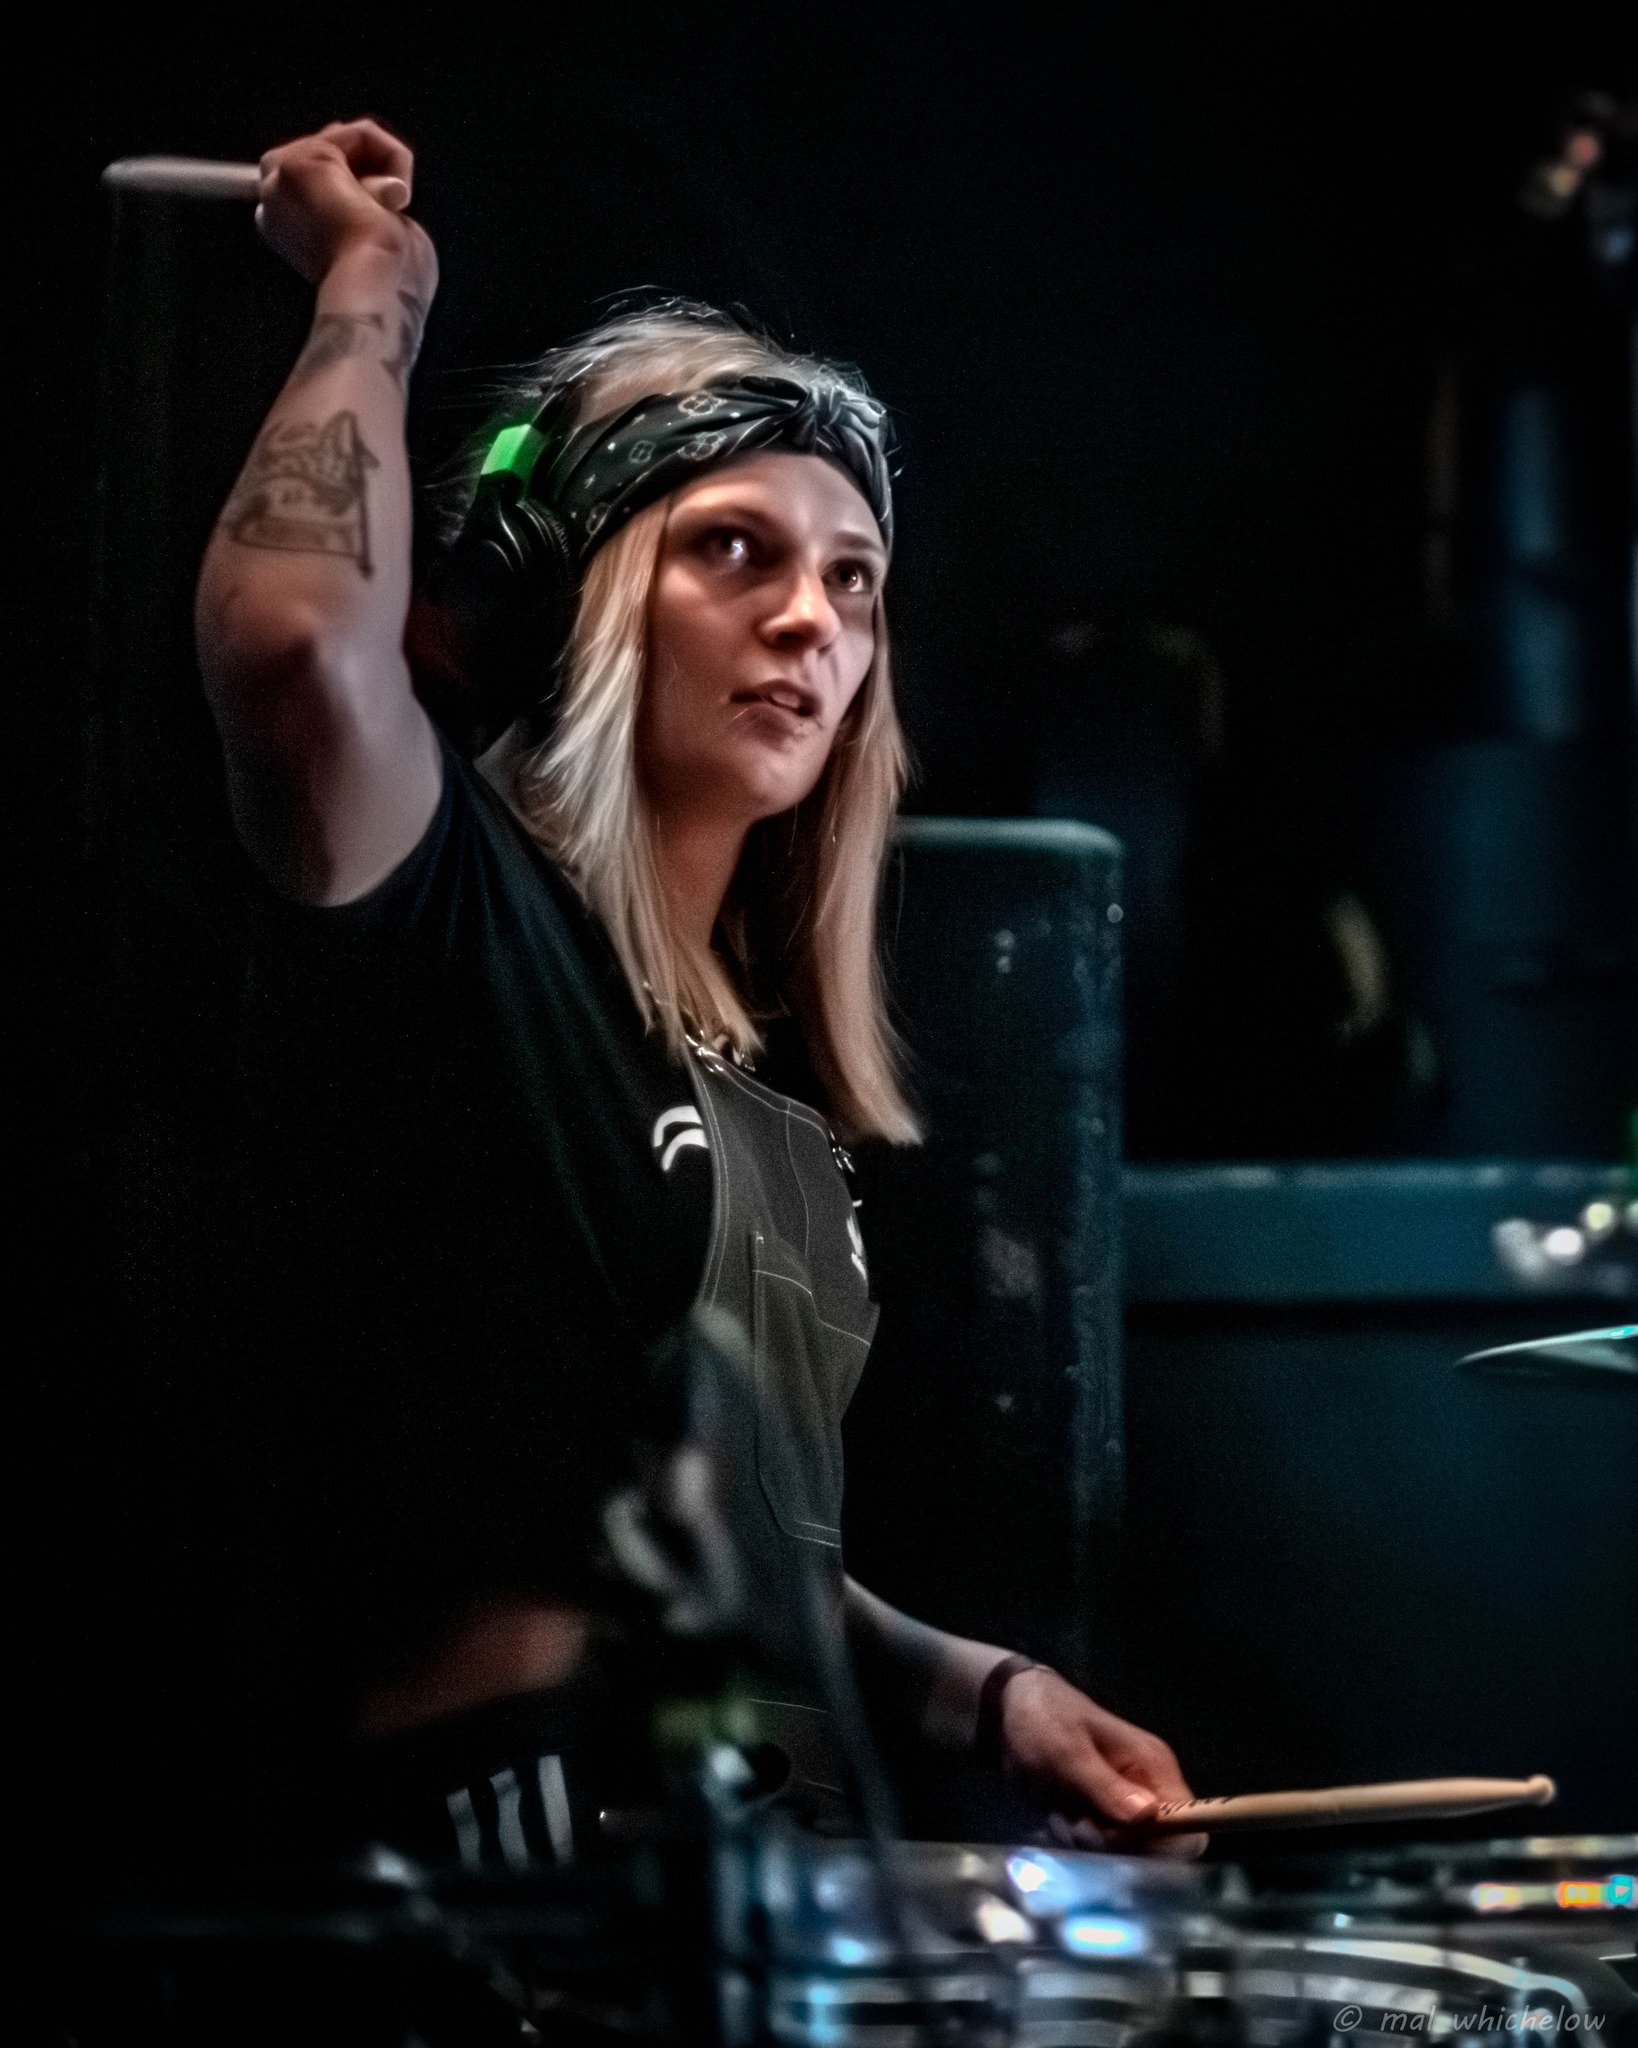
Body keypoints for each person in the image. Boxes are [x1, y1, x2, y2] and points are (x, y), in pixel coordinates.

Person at [195, 115, 1203, 1865]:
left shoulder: (755, 1075)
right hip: (514, 1881)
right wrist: (378, 287)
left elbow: (712, 1557)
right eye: (732, 547)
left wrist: (977, 1689)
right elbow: (291, 642)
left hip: (760, 1850)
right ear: (578, 596)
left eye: (852, 578)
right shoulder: (456, 907)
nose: (813, 617)